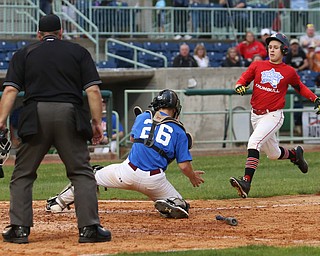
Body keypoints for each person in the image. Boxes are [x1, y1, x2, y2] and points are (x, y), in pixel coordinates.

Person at [0, 14, 111, 244]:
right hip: (69, 113)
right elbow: (93, 92)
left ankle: (20, 229)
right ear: (61, 33)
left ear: (38, 35)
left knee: (22, 174)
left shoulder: (24, 53)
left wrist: (0, 121)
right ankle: (89, 229)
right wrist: (97, 123)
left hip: (35, 114)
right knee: (81, 173)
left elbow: (10, 91)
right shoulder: (78, 52)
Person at [46, 89, 205, 219]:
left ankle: (57, 203)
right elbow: (184, 166)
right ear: (175, 108)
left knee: (92, 176)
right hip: (154, 181)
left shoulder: (143, 117)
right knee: (182, 205)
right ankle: (170, 204)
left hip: (126, 172)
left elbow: (133, 138)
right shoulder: (179, 131)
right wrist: (192, 176)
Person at [229, 33, 320, 199]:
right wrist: (239, 86)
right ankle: (295, 155)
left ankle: (246, 182)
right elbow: (243, 79)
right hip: (255, 115)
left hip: (273, 115)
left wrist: (315, 98)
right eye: (270, 47)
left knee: (254, 142)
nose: (272, 50)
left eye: (276, 47)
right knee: (273, 154)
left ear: (284, 50)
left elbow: (300, 87)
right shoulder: (257, 65)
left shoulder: (289, 71)